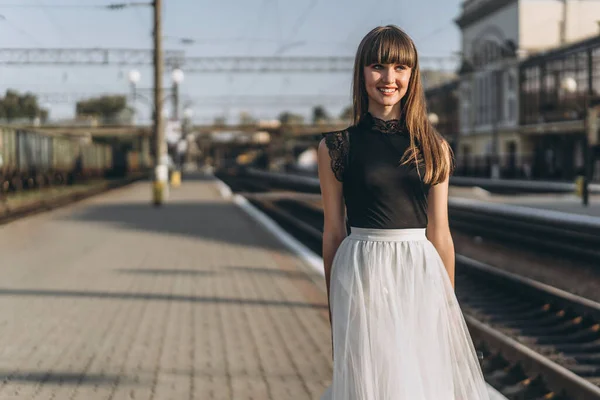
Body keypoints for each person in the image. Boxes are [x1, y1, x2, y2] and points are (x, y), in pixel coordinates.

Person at [318, 25, 490, 400]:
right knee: (373, 380)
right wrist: (334, 305)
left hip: (418, 272)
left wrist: (447, 306)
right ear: (362, 72)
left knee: (420, 382)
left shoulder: (434, 146)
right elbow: (332, 232)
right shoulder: (336, 146)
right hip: (361, 269)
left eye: (400, 68)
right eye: (378, 66)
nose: (389, 78)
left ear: (413, 75)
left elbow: (440, 234)